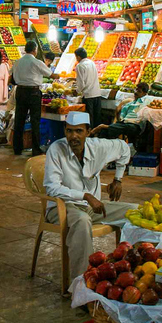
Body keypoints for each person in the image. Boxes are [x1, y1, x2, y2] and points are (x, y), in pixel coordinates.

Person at [44, 111, 133, 280]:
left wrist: (118, 179)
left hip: (92, 208)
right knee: (82, 221)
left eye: (79, 131)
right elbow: (52, 188)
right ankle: (82, 282)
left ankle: (130, 273)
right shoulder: (56, 150)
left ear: (88, 131)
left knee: (135, 212)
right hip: (62, 208)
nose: (74, 136)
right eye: (69, 131)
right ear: (65, 131)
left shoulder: (98, 146)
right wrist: (85, 196)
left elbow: (123, 148)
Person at [11, 41, 59, 156]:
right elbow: (50, 74)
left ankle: (17, 148)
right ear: (34, 50)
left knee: (19, 120)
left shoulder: (17, 62)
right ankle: (36, 149)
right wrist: (58, 76)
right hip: (33, 92)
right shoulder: (36, 62)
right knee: (35, 121)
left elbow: (11, 76)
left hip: (20, 91)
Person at [74, 48, 101, 128]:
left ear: (78, 57)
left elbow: (81, 83)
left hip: (88, 95)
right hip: (97, 94)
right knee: (97, 117)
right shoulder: (92, 63)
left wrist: (76, 91)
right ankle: (97, 135)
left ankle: (90, 136)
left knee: (89, 118)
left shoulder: (80, 66)